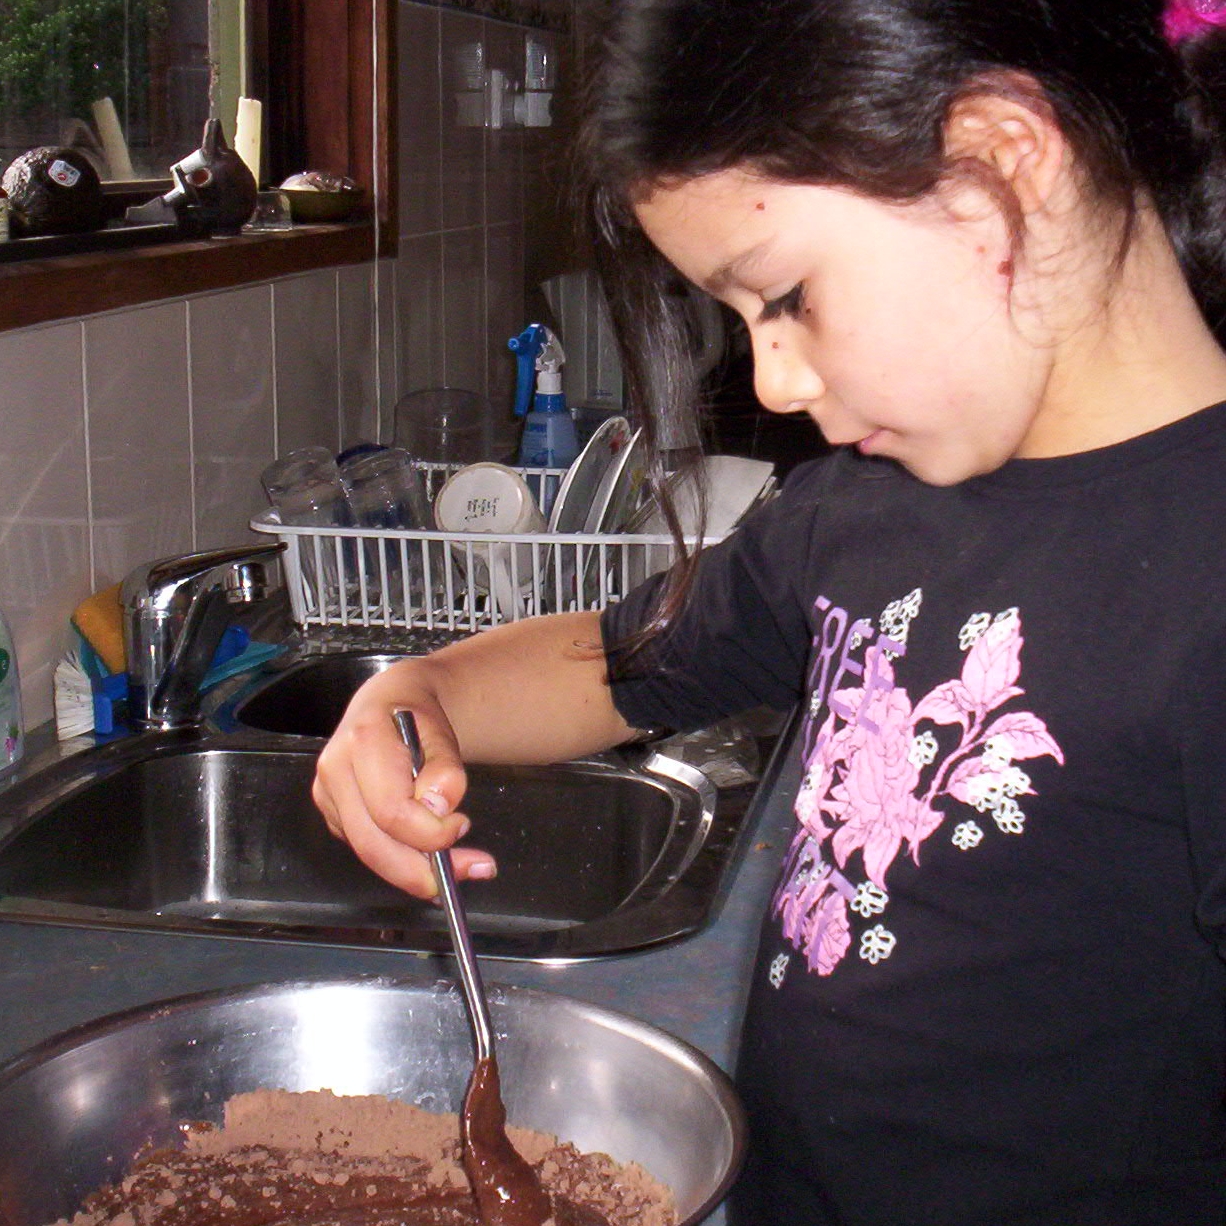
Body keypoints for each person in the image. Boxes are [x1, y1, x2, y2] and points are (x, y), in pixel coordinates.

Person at [313, 1, 1226, 1220]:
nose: (773, 378)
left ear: (1002, 161)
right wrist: (415, 692)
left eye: (784, 295)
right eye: (739, 320)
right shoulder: (856, 507)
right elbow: (612, 661)